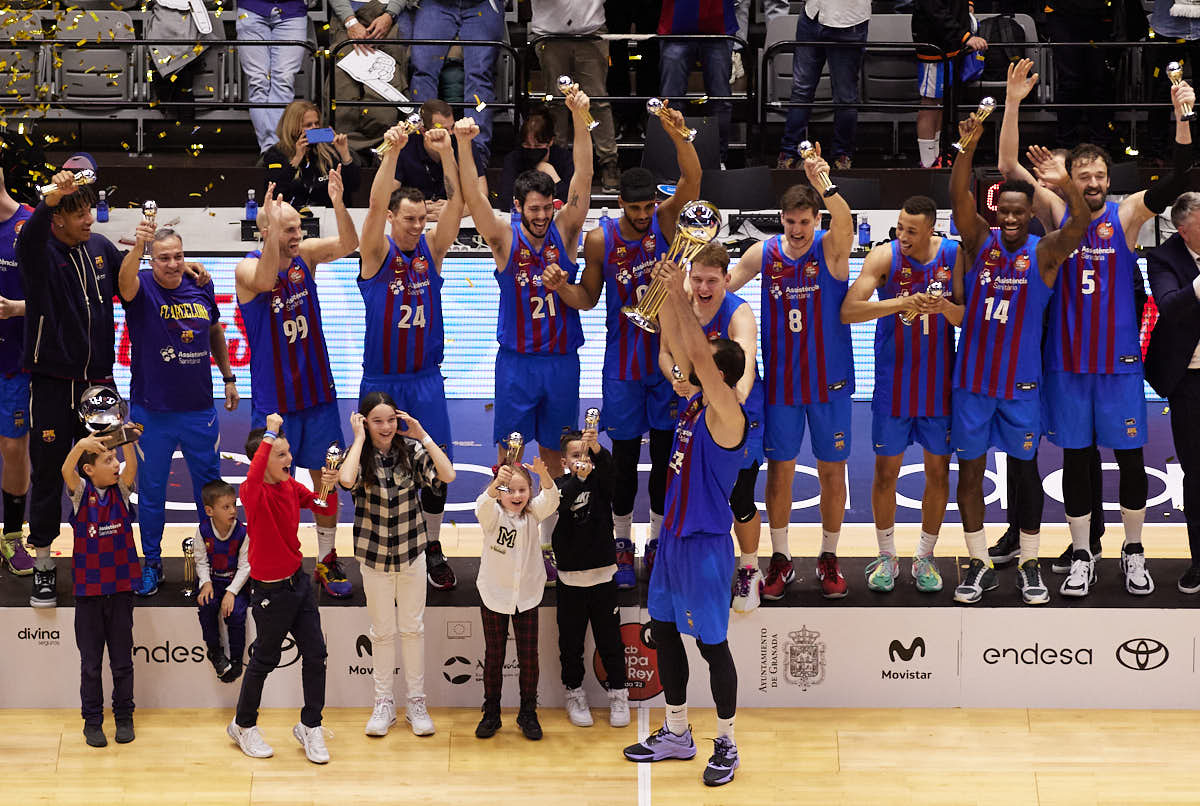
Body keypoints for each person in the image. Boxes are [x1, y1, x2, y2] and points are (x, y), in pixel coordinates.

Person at [997, 59, 1195, 597]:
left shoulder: (1128, 214)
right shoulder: (1055, 213)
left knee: (1130, 459)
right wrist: (1014, 100)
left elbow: (1179, 175)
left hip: (1119, 367)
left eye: (1099, 176)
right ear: (1069, 181)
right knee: (1078, 462)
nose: (1092, 183)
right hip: (1068, 365)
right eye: (1083, 177)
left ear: (1109, 180)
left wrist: (1182, 117)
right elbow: (1009, 163)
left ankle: (1134, 552)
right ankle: (1083, 552)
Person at [16, 169, 201, 609]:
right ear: (56, 219)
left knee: (108, 469)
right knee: (47, 471)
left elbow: (135, 281)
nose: (88, 220)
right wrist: (48, 200)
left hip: (98, 380)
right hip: (51, 381)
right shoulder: (39, 249)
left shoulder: (99, 249)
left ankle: (108, 553)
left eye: (87, 211)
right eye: (77, 213)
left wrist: (184, 273)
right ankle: (44, 565)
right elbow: (25, 242)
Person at [550, 108, 699, 587]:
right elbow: (589, 299)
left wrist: (677, 134)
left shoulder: (670, 220)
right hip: (623, 365)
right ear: (621, 203)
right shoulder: (601, 238)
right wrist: (559, 289)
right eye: (634, 209)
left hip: (669, 361)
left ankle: (655, 539)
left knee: (662, 454)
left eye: (648, 208)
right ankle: (621, 541)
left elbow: (693, 177)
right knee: (623, 457)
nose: (642, 216)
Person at [948, 114, 1091, 605]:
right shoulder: (978, 241)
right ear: (996, 214)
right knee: (969, 473)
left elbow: (1080, 225)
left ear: (1030, 213)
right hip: (972, 384)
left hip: (1022, 386)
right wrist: (967, 145)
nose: (1010, 219)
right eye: (1003, 212)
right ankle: (979, 564)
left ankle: (1029, 562)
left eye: (1018, 212)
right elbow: (958, 197)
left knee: (1025, 472)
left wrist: (1066, 184)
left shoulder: (1046, 253)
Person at [621, 258, 748, 788]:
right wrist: (667, 291)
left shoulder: (727, 413)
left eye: (707, 363)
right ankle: (676, 732)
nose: (698, 365)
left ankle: (727, 742)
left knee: (712, 647)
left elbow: (695, 348)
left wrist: (680, 293)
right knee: (666, 634)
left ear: (719, 373)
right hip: (672, 540)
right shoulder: (694, 400)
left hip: (707, 546)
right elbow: (677, 345)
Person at [728, 144, 855, 600]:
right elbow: (720, 287)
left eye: (805, 221)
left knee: (831, 472)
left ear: (816, 221)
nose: (797, 230)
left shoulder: (831, 249)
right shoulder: (764, 253)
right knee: (780, 473)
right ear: (780, 220)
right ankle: (780, 559)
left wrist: (824, 182)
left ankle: (828, 555)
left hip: (830, 382)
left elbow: (846, 221)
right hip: (782, 385)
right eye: (790, 221)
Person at [455, 90, 593, 476]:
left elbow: (584, 175)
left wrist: (580, 118)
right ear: (518, 207)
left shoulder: (565, 232)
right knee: (509, 458)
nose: (542, 215)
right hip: (517, 363)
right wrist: (464, 146)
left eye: (548, 207)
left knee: (557, 457)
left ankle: (551, 536)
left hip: (561, 361)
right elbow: (472, 196)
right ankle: (506, 531)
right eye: (534, 208)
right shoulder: (504, 238)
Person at [236, 176, 358, 599]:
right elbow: (268, 281)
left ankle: (326, 558)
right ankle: (277, 557)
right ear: (267, 229)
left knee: (325, 479)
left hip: (317, 396)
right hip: (276, 405)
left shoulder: (305, 256)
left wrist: (340, 203)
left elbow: (348, 243)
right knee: (273, 487)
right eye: (289, 229)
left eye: (299, 229)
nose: (298, 236)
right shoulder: (248, 268)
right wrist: (272, 231)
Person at [359, 122, 465, 591]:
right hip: (382, 380)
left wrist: (447, 153)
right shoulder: (375, 251)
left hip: (425, 379)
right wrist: (392, 151)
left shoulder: (432, 249)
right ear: (392, 219)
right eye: (410, 220)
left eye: (423, 219)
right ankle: (380, 543)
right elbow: (375, 203)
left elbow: (459, 203)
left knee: (436, 469)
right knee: (376, 468)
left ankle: (435, 544)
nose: (418, 226)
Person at [841, 195, 963, 594]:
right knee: (885, 474)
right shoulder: (883, 257)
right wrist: (902, 302)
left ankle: (925, 556)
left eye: (912, 230)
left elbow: (966, 317)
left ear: (931, 228)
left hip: (939, 387)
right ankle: (887, 555)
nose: (902, 235)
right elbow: (849, 310)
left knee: (938, 474)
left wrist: (943, 305)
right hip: (894, 386)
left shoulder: (953, 255)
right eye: (899, 227)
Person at [117, 222, 239, 597]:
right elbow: (124, 282)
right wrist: (139, 246)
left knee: (210, 489)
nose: (172, 264)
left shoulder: (201, 284)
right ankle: (151, 562)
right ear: (151, 261)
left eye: (178, 257)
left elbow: (216, 331)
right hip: (151, 412)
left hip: (198, 409)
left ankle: (217, 559)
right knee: (151, 493)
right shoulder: (140, 288)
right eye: (164, 258)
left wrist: (229, 376)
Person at [338, 393, 455, 737]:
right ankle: (384, 703)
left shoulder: (411, 450)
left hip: (412, 555)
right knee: (382, 632)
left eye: (391, 419)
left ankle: (416, 702)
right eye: (377, 421)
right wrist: (358, 439)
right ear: (364, 422)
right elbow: (346, 480)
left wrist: (423, 436)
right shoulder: (358, 455)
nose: (386, 427)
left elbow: (446, 475)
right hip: (374, 559)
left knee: (412, 628)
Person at [659, 242, 765, 612]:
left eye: (713, 282)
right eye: (698, 279)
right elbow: (667, 352)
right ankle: (687, 563)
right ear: (689, 276)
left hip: (735, 412)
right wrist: (677, 376)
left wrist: (725, 393)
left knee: (739, 498)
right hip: (696, 405)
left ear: (727, 279)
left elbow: (746, 368)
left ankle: (750, 567)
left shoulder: (740, 314)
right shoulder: (681, 301)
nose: (704, 289)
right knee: (690, 488)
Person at [227, 415, 339, 764]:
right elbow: (256, 466)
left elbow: (322, 506)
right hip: (269, 593)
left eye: (289, 453)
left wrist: (329, 488)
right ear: (262, 459)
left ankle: (310, 725)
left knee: (316, 654)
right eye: (280, 454)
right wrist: (271, 431)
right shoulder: (253, 490)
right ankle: (243, 725)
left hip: (299, 583)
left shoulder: (290, 487)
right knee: (264, 660)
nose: (289, 459)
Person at [63, 429, 141, 748]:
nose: (116, 464)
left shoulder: (120, 492)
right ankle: (92, 721)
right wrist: (80, 444)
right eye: (108, 460)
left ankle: (124, 717)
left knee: (122, 663)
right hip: (89, 596)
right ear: (89, 470)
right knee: (91, 666)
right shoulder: (81, 494)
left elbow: (131, 469)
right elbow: (66, 471)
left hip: (121, 592)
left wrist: (129, 442)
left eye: (116, 459)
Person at [473, 456, 559, 741]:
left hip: (527, 596)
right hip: (494, 595)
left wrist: (545, 474)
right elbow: (481, 505)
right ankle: (492, 712)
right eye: (510, 490)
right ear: (499, 492)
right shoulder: (493, 514)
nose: (517, 496)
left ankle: (528, 712)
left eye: (523, 490)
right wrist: (496, 484)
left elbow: (552, 499)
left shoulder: (534, 513)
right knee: (494, 656)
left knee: (528, 658)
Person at [552, 426, 630, 729]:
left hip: (603, 578)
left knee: (610, 641)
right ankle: (574, 692)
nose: (582, 460)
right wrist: (579, 478)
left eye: (586, 455)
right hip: (570, 580)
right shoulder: (560, 485)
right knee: (570, 644)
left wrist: (597, 449)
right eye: (575, 456)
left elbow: (611, 471)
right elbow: (562, 501)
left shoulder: (601, 482)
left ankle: (619, 693)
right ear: (564, 463)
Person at [1147, 193, 1200, 593]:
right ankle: (1199, 561)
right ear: (1184, 229)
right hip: (1191, 380)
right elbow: (1169, 306)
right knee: (1197, 473)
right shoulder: (1165, 258)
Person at [530, 0, 619, 191]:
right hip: (549, 33)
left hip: (592, 31)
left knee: (598, 101)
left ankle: (609, 162)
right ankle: (557, 160)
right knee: (556, 103)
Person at [776, 0, 870, 171]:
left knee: (845, 96)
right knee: (800, 90)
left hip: (849, 22)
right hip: (812, 15)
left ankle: (842, 156)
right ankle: (789, 153)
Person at [409, 0, 505, 161]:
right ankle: (422, 144)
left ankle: (477, 153)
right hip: (434, 3)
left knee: (480, 77)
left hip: (483, 4)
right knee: (423, 72)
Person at [0, 166, 33, 576]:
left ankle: (10, 536)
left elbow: (63, 287)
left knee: (13, 448)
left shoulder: (30, 224)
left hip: (15, 362)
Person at [328, 0, 413, 151]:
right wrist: (350, 22)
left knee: (385, 110)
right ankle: (340, 150)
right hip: (346, 15)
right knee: (342, 102)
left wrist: (390, 14)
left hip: (392, 15)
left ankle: (379, 150)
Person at [658, 0, 736, 164]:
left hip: (718, 28)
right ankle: (673, 159)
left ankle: (718, 159)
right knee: (671, 101)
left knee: (721, 100)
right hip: (676, 28)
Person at [912, 0, 987, 167]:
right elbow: (935, 9)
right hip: (934, 44)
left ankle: (936, 156)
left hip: (949, 44)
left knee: (939, 102)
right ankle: (927, 162)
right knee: (929, 102)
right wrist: (964, 36)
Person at [392, 99, 489, 220]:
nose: (450, 134)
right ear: (423, 131)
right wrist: (415, 209)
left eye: (452, 127)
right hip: (414, 219)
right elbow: (387, 198)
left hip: (457, 220)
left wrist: (455, 210)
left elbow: (482, 194)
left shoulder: (462, 141)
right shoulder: (405, 146)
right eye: (443, 130)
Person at [194, 479, 250, 683]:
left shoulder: (243, 532)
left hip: (236, 584)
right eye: (226, 507)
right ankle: (215, 652)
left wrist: (232, 592)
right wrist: (206, 583)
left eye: (234, 505)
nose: (232, 510)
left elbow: (246, 566)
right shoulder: (202, 531)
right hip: (213, 582)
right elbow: (200, 560)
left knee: (235, 614)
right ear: (210, 511)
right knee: (206, 606)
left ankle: (236, 659)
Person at [235, 0, 309, 155]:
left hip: (293, 10)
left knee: (284, 80)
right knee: (258, 82)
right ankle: (272, 149)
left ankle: (274, 150)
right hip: (251, 7)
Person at [262, 101, 362, 211]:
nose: (314, 128)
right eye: (308, 125)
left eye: (317, 123)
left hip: (329, 213)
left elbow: (353, 186)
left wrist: (344, 153)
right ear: (293, 127)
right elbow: (275, 194)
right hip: (291, 216)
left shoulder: (329, 150)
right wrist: (296, 159)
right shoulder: (276, 154)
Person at [145, 0, 225, 117]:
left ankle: (179, 124)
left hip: (188, 28)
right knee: (180, 85)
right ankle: (181, 125)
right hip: (172, 29)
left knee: (182, 83)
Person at [497, 108, 575, 212]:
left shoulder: (565, 158)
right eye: (527, 145)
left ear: (551, 141)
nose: (532, 149)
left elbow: (574, 202)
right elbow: (505, 200)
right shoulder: (514, 159)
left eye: (538, 145)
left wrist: (553, 176)